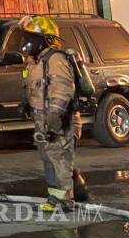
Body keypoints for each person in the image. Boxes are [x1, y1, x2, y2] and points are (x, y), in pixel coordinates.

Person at [19, 15, 96, 213]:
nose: (26, 43)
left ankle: (65, 201)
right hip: (41, 118)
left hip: (60, 119)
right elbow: (34, 88)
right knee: (48, 158)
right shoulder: (34, 63)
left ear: (45, 39)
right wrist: (26, 104)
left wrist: (54, 122)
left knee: (60, 159)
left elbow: (62, 93)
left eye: (32, 38)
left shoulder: (56, 60)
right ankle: (56, 197)